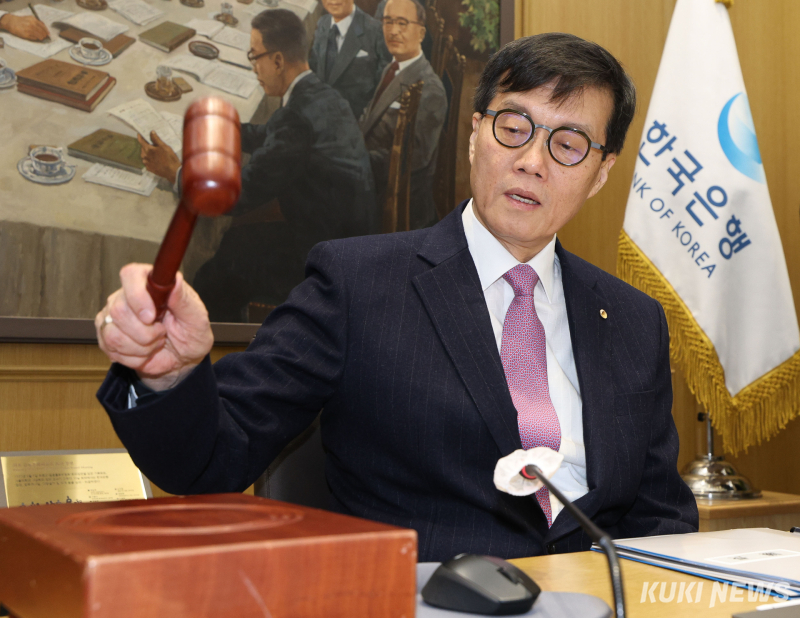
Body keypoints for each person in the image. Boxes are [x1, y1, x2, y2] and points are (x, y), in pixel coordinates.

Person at [96, 32, 698, 562]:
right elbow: (212, 458)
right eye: (513, 128)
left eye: (568, 144)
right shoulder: (357, 283)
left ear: (601, 173)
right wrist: (169, 378)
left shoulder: (633, 319)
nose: (531, 161)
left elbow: (662, 519)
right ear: (474, 137)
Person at [138, 9, 377, 321]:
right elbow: (271, 135)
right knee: (232, 243)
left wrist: (176, 172)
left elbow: (237, 193)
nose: (254, 68)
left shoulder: (295, 118)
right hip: (344, 236)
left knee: (213, 276)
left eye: (255, 56)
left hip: (325, 258)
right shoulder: (320, 94)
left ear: (277, 61)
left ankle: (220, 345)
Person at [360, 0, 446, 230]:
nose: (393, 31)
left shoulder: (430, 89)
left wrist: (358, 161)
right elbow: (369, 120)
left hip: (396, 200)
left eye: (402, 23)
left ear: (421, 33)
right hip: (372, 177)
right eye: (388, 22)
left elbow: (414, 158)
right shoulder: (393, 68)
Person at [309, 0, 391, 119]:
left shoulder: (376, 31)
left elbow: (383, 87)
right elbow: (314, 70)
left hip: (357, 119)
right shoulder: (323, 23)